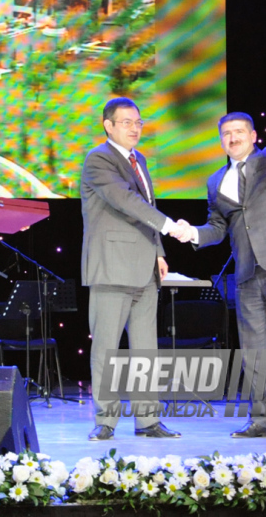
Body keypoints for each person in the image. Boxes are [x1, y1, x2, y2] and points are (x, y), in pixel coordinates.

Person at [173, 84, 266, 441]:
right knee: (254, 352)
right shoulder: (215, 180)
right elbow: (218, 228)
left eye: (239, 132)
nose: (232, 138)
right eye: (226, 134)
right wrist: (193, 234)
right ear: (221, 141)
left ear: (253, 136)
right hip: (247, 272)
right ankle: (260, 421)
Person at [81, 97, 183, 441]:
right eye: (126, 122)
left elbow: (146, 208)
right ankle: (106, 422)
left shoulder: (139, 160)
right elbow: (126, 201)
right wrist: (169, 226)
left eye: (138, 122)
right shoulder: (99, 159)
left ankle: (148, 421)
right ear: (108, 125)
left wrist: (158, 250)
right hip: (112, 267)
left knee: (145, 351)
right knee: (107, 350)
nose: (135, 128)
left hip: (145, 268)